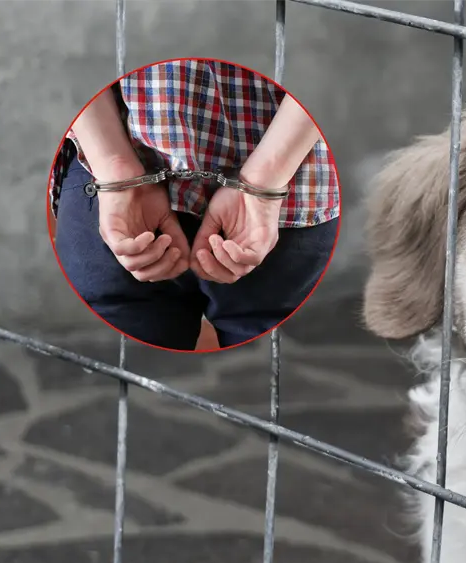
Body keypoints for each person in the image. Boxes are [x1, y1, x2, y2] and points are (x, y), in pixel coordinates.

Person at [50, 59, 339, 351]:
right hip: (288, 185)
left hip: (118, 171)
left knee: (123, 378)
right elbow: (328, 53)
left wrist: (114, 164)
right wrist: (265, 178)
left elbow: (75, 47)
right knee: (270, 377)